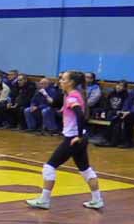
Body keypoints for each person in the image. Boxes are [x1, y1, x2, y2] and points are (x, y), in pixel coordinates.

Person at [27, 71, 104, 211]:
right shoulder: (72, 95)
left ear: (71, 82)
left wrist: (78, 136)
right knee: (85, 169)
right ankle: (97, 200)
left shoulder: (72, 97)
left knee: (49, 167)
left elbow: (80, 115)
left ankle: (44, 200)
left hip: (73, 139)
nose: (60, 81)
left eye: (63, 79)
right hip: (80, 138)